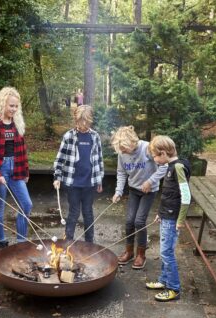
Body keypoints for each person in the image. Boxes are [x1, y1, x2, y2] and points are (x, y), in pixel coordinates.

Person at [0, 87, 32, 248]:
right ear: (2, 103)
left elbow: (22, 150)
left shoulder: (17, 124)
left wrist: (25, 171)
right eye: (11, 105)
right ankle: (2, 242)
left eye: (16, 106)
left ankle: (21, 241)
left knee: (26, 204)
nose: (14, 109)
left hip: (16, 168)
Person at [111, 126, 167, 269]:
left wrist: (150, 181)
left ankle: (141, 254)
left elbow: (164, 167)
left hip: (149, 191)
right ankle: (129, 252)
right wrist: (118, 192)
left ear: (131, 143)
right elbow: (121, 173)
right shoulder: (122, 154)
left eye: (124, 149)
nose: (122, 152)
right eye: (120, 150)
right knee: (129, 221)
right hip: (134, 190)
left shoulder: (147, 148)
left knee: (139, 221)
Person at [145, 135, 191, 302]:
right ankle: (164, 280)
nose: (155, 160)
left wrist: (180, 220)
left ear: (163, 153)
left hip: (173, 218)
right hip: (167, 215)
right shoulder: (170, 166)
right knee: (165, 252)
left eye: (155, 156)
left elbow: (185, 196)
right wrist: (161, 213)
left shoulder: (178, 167)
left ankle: (173, 288)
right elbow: (170, 194)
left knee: (166, 253)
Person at [53, 105, 104, 243]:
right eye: (79, 121)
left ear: (90, 120)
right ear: (76, 120)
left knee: (88, 212)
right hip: (72, 183)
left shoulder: (95, 136)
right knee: (74, 212)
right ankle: (68, 240)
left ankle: (89, 242)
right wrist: (57, 177)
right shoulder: (69, 136)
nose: (82, 125)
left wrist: (99, 181)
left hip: (89, 183)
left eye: (85, 122)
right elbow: (60, 158)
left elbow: (99, 159)